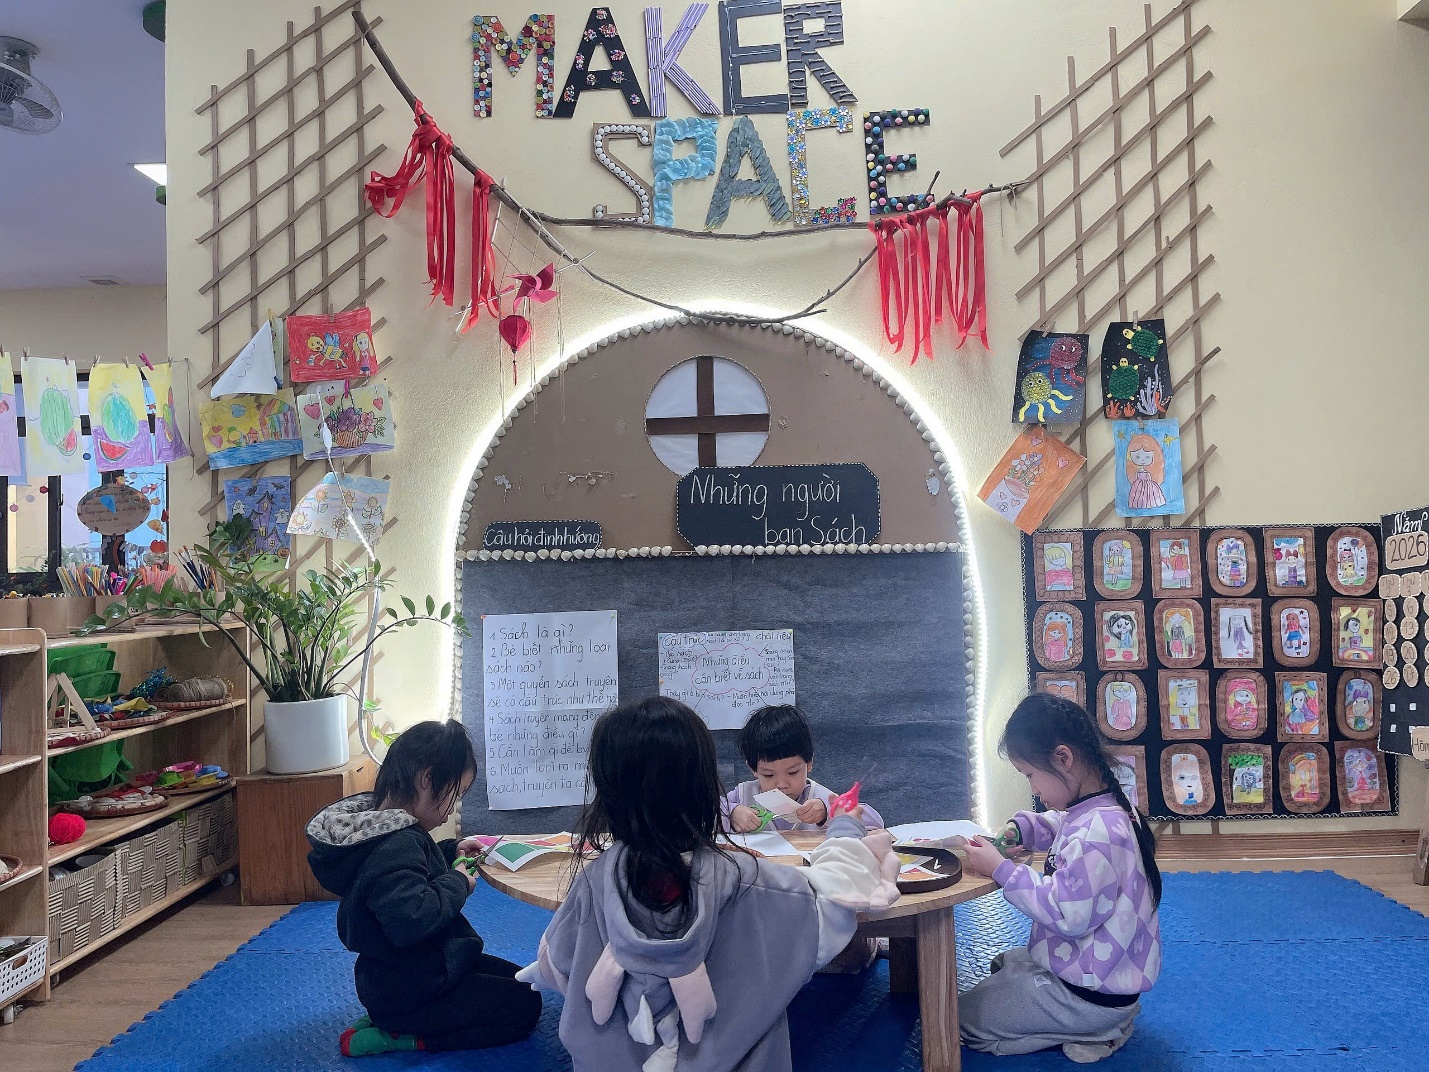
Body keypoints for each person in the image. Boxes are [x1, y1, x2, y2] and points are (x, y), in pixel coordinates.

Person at [514, 697, 899, 1072]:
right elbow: (833, 896)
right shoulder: (750, 881)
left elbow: (555, 963)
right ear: (704, 785)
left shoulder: (592, 884)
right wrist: (845, 830)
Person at [306, 720, 541, 1057]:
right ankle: (402, 1036)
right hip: (415, 990)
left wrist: (451, 851)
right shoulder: (397, 842)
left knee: (523, 981)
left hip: (402, 979)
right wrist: (458, 882)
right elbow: (411, 920)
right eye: (455, 795)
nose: (452, 809)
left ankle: (386, 1017)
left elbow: (409, 872)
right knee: (526, 1006)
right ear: (427, 779)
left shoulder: (379, 828)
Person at [959, 694, 1162, 1064]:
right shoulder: (1108, 807)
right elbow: (1062, 824)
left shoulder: (1099, 833)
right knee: (1006, 963)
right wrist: (1022, 829)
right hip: (1108, 978)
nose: (1033, 789)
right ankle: (1101, 1022)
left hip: (1088, 996)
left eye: (1030, 775)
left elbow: (1066, 913)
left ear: (1063, 758)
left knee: (957, 1018)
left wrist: (1002, 870)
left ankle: (1094, 1031)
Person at [723, 704, 884, 833]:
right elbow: (709, 812)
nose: (782, 785)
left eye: (792, 772)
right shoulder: (744, 795)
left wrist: (828, 812)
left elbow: (876, 823)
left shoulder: (819, 798)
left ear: (809, 763)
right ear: (753, 769)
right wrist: (731, 813)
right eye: (768, 775)